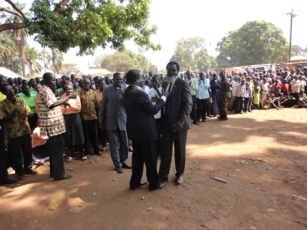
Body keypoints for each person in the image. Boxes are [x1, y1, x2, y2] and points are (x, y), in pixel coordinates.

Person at [123, 69, 168, 191]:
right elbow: (152, 110)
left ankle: (135, 182)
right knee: (150, 158)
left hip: (135, 131)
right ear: (137, 79)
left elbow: (140, 108)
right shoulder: (139, 93)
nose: (143, 80)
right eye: (141, 78)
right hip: (145, 131)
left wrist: (152, 101)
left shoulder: (127, 92)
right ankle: (154, 183)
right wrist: (163, 98)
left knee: (137, 157)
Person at [159, 61, 192, 185]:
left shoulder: (182, 84)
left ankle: (180, 174)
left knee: (180, 150)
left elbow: (188, 104)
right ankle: (163, 177)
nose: (171, 72)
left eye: (174, 70)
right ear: (166, 70)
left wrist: (182, 121)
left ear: (178, 71)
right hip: (167, 123)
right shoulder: (164, 83)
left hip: (180, 124)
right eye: (169, 70)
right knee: (165, 151)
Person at [37, 72, 76, 180]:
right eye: (52, 80)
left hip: (54, 126)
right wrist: (68, 97)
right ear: (45, 81)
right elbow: (52, 105)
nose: (55, 82)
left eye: (55, 80)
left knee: (54, 151)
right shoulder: (45, 90)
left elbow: (53, 102)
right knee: (58, 151)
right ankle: (59, 174)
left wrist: (63, 102)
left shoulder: (47, 90)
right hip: (53, 126)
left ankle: (54, 172)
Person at [0, 83, 37, 180]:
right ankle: (19, 172)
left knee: (27, 150)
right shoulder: (2, 104)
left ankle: (28, 168)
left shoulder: (21, 100)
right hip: (13, 133)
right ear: (4, 93)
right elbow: (3, 119)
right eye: (8, 90)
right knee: (16, 153)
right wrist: (12, 114)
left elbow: (27, 110)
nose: (11, 91)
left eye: (11, 89)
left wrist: (26, 115)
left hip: (25, 129)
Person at [99, 73, 130, 174]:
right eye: (117, 79)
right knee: (113, 144)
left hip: (123, 120)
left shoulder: (126, 89)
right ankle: (117, 164)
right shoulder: (107, 90)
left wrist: (124, 94)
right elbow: (103, 106)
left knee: (125, 143)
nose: (119, 81)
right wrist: (101, 120)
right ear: (113, 80)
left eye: (121, 80)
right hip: (111, 121)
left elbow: (130, 104)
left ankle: (123, 161)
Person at [60, 83, 86, 160]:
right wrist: (65, 106)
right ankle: (72, 154)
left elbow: (78, 108)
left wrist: (69, 105)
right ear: (65, 90)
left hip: (76, 117)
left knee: (79, 135)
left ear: (73, 89)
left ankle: (82, 153)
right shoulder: (62, 97)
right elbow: (62, 111)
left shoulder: (76, 96)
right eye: (68, 89)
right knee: (69, 136)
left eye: (71, 89)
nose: (70, 90)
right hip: (67, 117)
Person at [78, 77, 101, 156]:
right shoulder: (79, 94)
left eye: (88, 83)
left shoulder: (94, 93)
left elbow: (97, 104)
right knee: (86, 135)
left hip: (93, 117)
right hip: (84, 118)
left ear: (90, 84)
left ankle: (96, 149)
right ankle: (87, 151)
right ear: (82, 84)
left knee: (95, 134)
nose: (86, 85)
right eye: (85, 83)